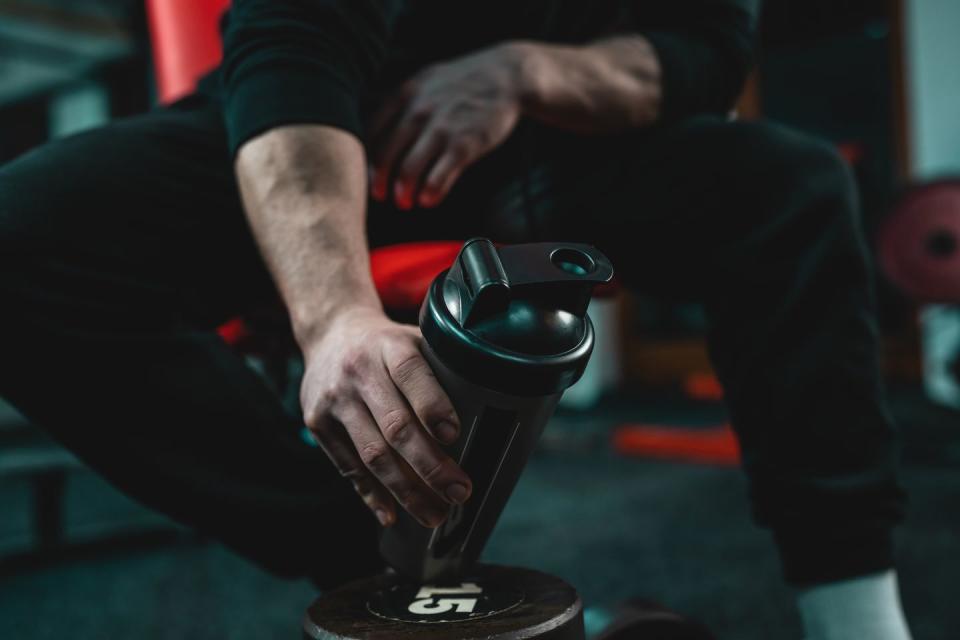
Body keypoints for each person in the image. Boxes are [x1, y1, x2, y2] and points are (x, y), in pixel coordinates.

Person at [0, 1, 912, 638]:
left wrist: (526, 71)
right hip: (312, 114)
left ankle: (856, 615)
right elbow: (294, 42)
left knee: (790, 185)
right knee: (19, 243)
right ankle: (394, 575)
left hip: (541, 134)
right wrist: (335, 319)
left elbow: (706, 50)